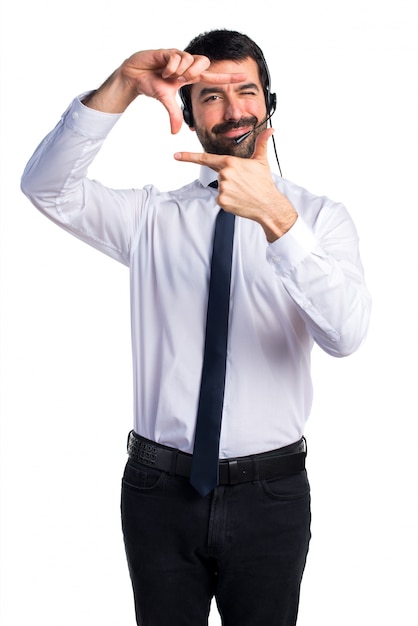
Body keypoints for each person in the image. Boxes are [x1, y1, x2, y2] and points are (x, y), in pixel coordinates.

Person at [21, 29, 371, 626]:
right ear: (188, 113)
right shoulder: (151, 219)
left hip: (272, 495)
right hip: (159, 493)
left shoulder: (318, 219)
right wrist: (124, 84)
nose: (235, 110)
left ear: (269, 104)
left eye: (247, 91)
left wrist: (276, 217)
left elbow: (345, 335)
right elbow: (46, 187)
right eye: (211, 96)